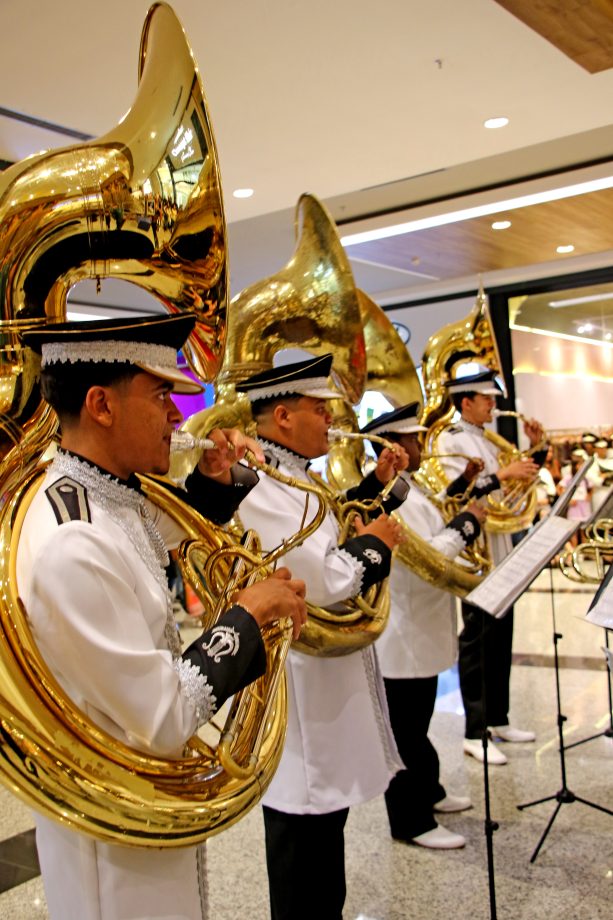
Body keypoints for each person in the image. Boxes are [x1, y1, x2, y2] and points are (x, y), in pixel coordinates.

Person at [16, 313, 308, 920]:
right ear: (101, 404)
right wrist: (247, 617)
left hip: (141, 805)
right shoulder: (73, 542)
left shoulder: (101, 494)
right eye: (161, 395)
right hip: (114, 854)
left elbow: (144, 542)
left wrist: (215, 484)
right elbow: (166, 714)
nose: (180, 414)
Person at [233, 353, 407, 920]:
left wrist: (375, 488)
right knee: (302, 837)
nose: (332, 417)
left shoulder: (295, 474)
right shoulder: (258, 483)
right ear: (282, 417)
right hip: (299, 687)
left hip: (323, 679)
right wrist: (375, 545)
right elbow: (321, 578)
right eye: (319, 407)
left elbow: (328, 534)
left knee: (322, 844)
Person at [362, 403, 486, 849]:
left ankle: (429, 793)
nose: (421, 445)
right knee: (406, 731)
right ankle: (409, 821)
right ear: (394, 445)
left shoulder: (410, 488)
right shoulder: (390, 495)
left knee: (419, 721)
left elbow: (432, 525)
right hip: (404, 631)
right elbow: (427, 556)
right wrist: (467, 525)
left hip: (424, 625)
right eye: (414, 440)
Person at [437, 370, 545, 765]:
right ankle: (474, 729)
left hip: (498, 542)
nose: (492, 404)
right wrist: (501, 474)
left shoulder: (486, 438)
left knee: (502, 633)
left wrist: (536, 451)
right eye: (486, 398)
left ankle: (498, 718)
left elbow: (513, 486)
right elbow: (455, 493)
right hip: (475, 549)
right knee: (479, 639)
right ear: (465, 402)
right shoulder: (450, 440)